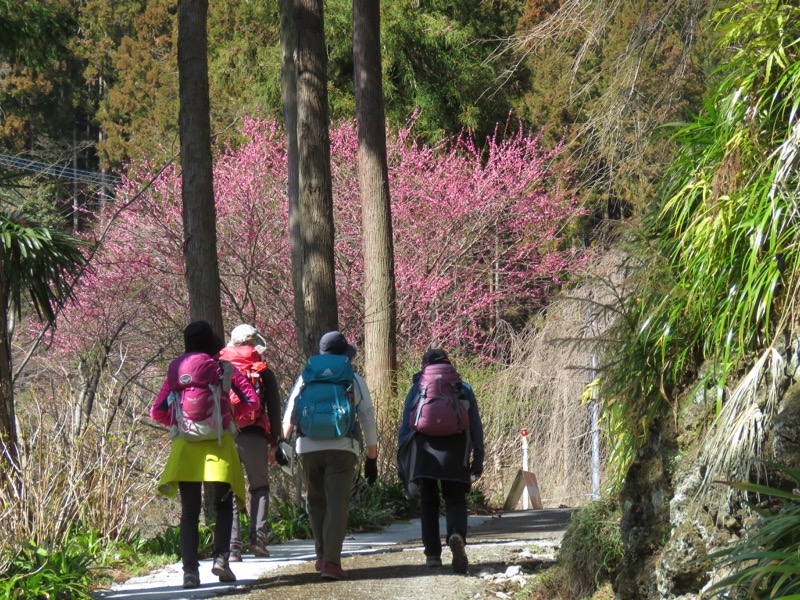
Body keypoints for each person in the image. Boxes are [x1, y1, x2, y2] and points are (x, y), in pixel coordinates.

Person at [150, 320, 260, 589]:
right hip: (219, 446)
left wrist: (180, 425)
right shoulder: (223, 368)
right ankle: (221, 560)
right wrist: (233, 421)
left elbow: (157, 411)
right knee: (223, 507)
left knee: (189, 512)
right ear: (211, 342)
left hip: (185, 449)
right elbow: (252, 401)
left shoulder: (176, 372)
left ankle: (189, 573)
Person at [280, 331, 378, 581]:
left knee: (315, 501)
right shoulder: (353, 378)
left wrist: (282, 443)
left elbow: (291, 412)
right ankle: (332, 563)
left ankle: (322, 555)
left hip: (307, 447)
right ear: (345, 353)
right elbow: (366, 416)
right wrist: (371, 457)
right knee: (337, 504)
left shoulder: (307, 378)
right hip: (342, 448)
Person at [397, 348, 485, 574]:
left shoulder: (418, 387)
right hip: (456, 448)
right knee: (455, 498)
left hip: (424, 449)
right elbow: (475, 426)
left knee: (429, 501)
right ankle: (456, 534)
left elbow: (406, 426)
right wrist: (478, 458)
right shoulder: (462, 388)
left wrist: (403, 459)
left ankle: (433, 555)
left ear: (424, 365)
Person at [219, 324, 282, 561]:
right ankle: (258, 542)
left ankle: (233, 547)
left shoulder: (218, 366)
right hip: (253, 435)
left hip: (223, 436)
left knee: (230, 489)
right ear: (254, 343)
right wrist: (276, 442)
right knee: (260, 488)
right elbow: (274, 409)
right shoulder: (262, 369)